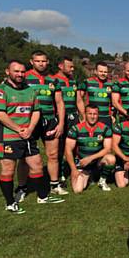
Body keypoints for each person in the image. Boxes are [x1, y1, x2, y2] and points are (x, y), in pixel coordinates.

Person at [0, 60, 64, 213]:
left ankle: (42, 197)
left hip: (27, 135)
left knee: (37, 165)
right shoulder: (0, 90)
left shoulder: (30, 90)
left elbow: (36, 111)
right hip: (8, 137)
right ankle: (10, 203)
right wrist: (18, 129)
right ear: (7, 72)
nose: (20, 74)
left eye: (22, 72)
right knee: (8, 170)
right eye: (16, 71)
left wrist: (30, 129)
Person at [23, 50, 67, 196]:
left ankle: (54, 185)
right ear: (32, 62)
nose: (41, 64)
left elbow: (60, 103)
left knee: (53, 155)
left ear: (47, 62)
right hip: (30, 122)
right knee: (25, 156)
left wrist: (60, 124)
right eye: (38, 61)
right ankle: (23, 187)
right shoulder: (24, 77)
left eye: (43, 61)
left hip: (50, 121)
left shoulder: (53, 80)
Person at [65, 105, 116, 193]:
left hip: (97, 161)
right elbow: (68, 150)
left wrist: (90, 158)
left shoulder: (105, 128)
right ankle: (88, 174)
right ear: (85, 114)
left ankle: (102, 180)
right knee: (78, 190)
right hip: (82, 163)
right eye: (90, 114)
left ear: (98, 115)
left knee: (111, 159)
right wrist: (73, 169)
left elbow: (108, 149)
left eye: (95, 114)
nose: (92, 116)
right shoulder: (75, 129)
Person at [52, 56, 78, 186]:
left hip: (74, 116)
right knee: (60, 146)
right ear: (61, 66)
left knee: (74, 145)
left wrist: (82, 115)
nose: (72, 69)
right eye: (70, 67)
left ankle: (73, 169)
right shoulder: (54, 80)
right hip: (60, 117)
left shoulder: (73, 81)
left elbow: (78, 100)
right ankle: (60, 174)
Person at [77, 61, 114, 128]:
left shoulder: (111, 84)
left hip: (106, 118)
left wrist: (113, 115)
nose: (103, 74)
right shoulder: (87, 82)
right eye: (101, 71)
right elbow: (79, 99)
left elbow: (113, 102)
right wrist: (83, 114)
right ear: (96, 71)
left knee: (107, 137)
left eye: (105, 72)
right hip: (91, 117)